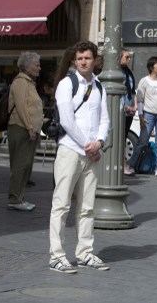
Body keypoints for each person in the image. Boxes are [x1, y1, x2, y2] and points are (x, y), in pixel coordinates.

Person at [49, 41, 110, 273]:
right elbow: (66, 120)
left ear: (95, 60)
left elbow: (105, 119)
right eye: (79, 58)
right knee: (61, 205)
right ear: (74, 61)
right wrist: (88, 145)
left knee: (87, 207)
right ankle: (56, 255)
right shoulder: (67, 84)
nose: (84, 62)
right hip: (70, 151)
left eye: (87, 58)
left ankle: (85, 253)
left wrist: (100, 142)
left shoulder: (99, 86)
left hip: (91, 153)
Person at [7, 51, 44, 211]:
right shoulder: (21, 82)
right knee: (20, 166)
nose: (39, 68)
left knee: (26, 165)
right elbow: (22, 107)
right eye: (36, 65)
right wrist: (30, 127)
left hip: (28, 130)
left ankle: (19, 198)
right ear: (27, 66)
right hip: (21, 129)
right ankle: (15, 199)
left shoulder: (29, 83)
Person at [126, 56, 157, 176]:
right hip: (148, 114)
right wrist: (141, 115)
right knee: (142, 141)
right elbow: (140, 99)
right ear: (152, 67)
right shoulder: (144, 81)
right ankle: (132, 166)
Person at [120, 48, 137, 176]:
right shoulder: (118, 72)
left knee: (124, 138)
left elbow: (133, 90)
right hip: (123, 109)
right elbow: (119, 92)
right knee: (120, 138)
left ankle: (123, 165)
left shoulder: (128, 72)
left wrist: (135, 105)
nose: (129, 59)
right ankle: (122, 166)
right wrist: (126, 107)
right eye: (126, 57)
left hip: (130, 109)